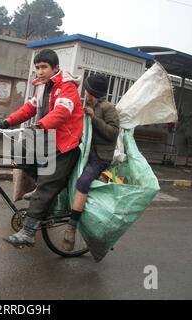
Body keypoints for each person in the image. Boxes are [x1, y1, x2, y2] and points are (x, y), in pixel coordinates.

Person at [0, 49, 84, 248]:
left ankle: (28, 232)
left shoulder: (66, 87)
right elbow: (29, 109)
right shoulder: (42, 87)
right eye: (37, 68)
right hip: (48, 140)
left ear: (56, 68)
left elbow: (62, 112)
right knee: (20, 150)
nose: (40, 71)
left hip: (65, 145)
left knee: (47, 185)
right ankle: (40, 185)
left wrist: (40, 125)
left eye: (44, 67)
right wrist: (7, 122)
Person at [62, 74, 120, 251]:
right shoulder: (89, 105)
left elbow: (113, 133)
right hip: (85, 153)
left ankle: (71, 228)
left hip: (100, 158)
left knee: (83, 182)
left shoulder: (109, 108)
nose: (84, 92)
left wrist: (94, 118)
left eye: (87, 89)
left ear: (91, 92)